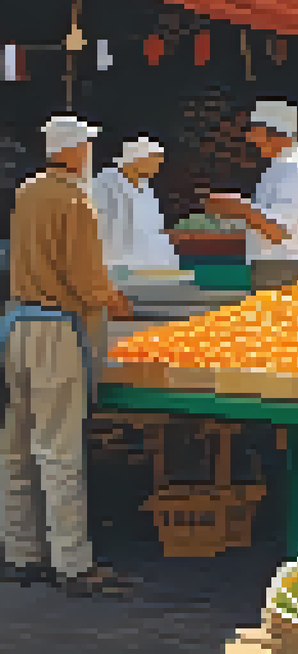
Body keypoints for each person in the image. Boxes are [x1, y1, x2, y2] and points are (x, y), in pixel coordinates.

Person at [4, 114, 137, 597]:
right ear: (77, 150)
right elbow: (85, 279)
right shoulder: (75, 198)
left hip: (17, 327)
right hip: (57, 333)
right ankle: (72, 563)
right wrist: (114, 299)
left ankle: (20, 553)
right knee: (60, 448)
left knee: (15, 448)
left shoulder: (28, 191)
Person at [204, 99, 298, 292]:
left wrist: (239, 207)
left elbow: (278, 230)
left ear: (275, 133)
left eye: (256, 133)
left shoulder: (293, 168)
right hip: (280, 266)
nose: (252, 140)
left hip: (286, 270)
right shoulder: (282, 166)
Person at [90, 137, 177, 279]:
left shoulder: (146, 189)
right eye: (155, 158)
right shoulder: (102, 185)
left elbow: (153, 231)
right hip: (113, 271)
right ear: (137, 159)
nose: (159, 163)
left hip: (149, 271)